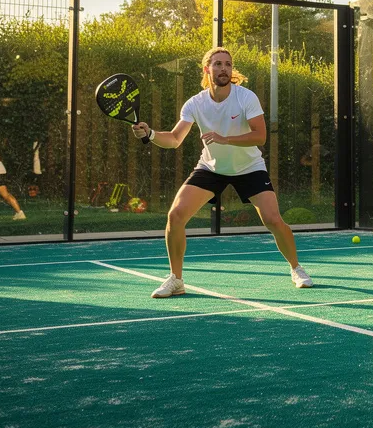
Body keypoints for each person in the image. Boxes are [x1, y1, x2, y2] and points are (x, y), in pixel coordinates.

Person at [132, 46, 313, 297]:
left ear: (231, 70)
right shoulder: (195, 103)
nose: (223, 68)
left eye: (227, 64)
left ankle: (297, 268)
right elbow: (174, 139)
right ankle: (176, 280)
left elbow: (260, 136)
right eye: (217, 64)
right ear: (207, 69)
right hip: (211, 167)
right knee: (175, 216)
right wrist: (150, 134)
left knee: (273, 220)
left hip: (249, 167)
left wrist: (225, 139)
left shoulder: (246, 97)